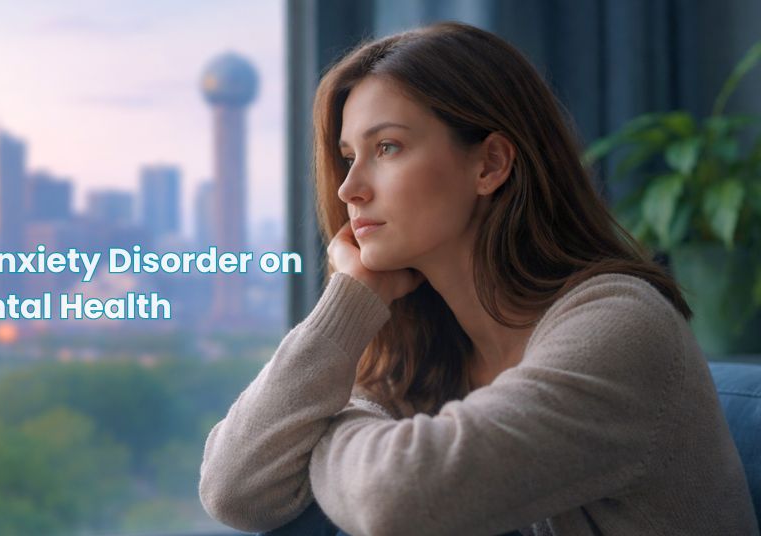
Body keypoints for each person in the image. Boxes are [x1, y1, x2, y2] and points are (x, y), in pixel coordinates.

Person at [198, 21, 758, 536]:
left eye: (387, 147)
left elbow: (395, 499)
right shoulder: (430, 348)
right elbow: (234, 490)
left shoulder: (620, 324)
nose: (349, 190)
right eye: (348, 157)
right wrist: (346, 306)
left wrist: (328, 432)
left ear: (489, 164)